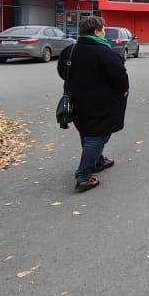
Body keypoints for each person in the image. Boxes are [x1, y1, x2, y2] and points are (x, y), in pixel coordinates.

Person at [57, 15, 129, 193]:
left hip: (77, 100)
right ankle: (84, 176)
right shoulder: (105, 52)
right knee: (98, 136)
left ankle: (97, 161)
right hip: (100, 104)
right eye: (103, 29)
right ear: (96, 31)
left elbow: (62, 71)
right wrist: (122, 91)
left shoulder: (70, 50)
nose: (104, 32)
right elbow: (120, 79)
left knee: (86, 130)